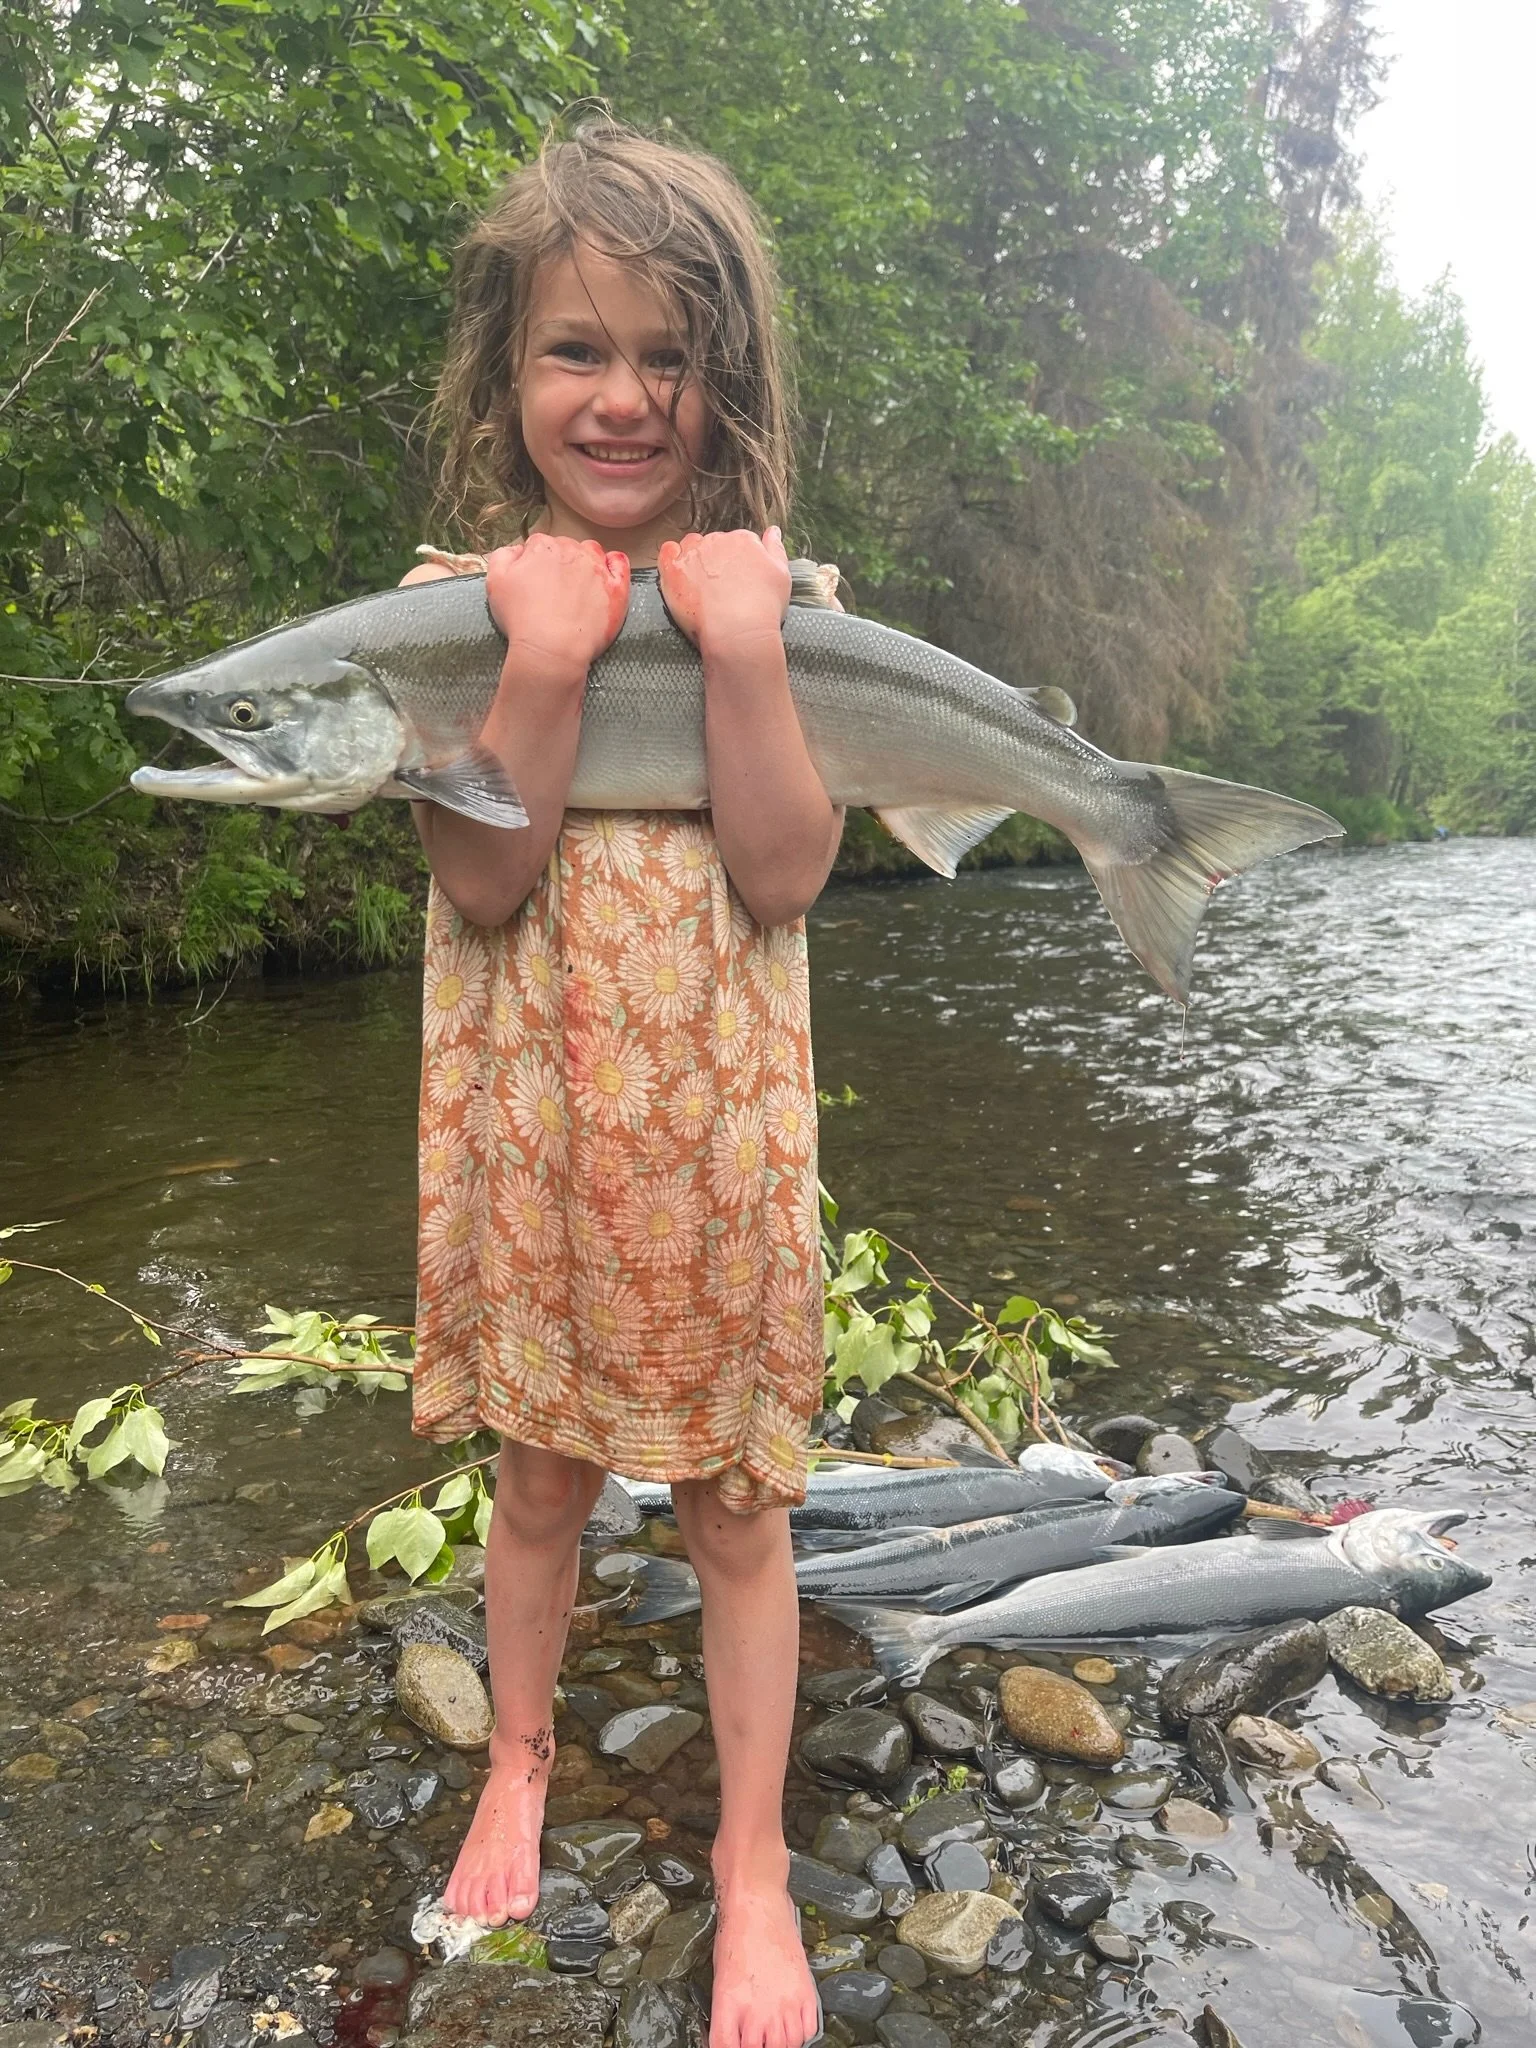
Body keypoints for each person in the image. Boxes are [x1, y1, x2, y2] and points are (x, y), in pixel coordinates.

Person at [399, 118, 839, 2048]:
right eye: (579, 348)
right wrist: (548, 665)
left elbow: (788, 872)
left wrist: (746, 660)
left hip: (726, 1137)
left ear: (721, 382)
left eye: (669, 356)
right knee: (543, 1473)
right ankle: (517, 1754)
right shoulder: (451, 609)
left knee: (742, 1505)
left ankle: (750, 1863)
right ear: (511, 373)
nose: (624, 395)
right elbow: (485, 875)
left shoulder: (783, 594)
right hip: (538, 1122)